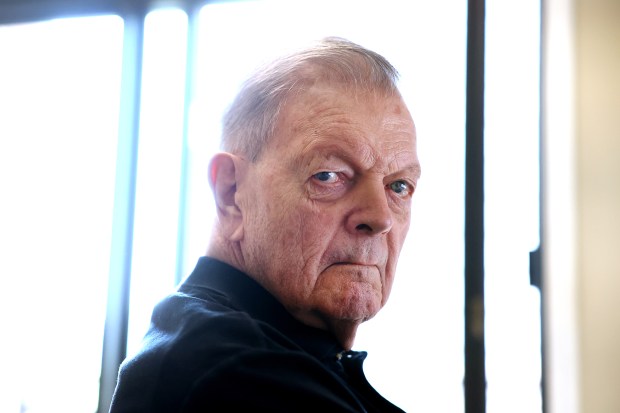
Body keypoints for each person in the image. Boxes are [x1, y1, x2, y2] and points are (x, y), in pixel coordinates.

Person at [109, 37, 420, 413]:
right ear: (231, 192)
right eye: (328, 175)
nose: (380, 217)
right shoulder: (235, 372)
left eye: (399, 186)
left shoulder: (284, 356)